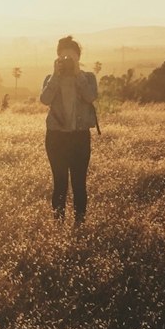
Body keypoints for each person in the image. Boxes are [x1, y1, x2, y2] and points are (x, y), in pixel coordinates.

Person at [39, 35, 98, 224]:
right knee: (60, 183)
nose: (66, 61)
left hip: (80, 136)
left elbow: (90, 97)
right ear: (57, 59)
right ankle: (58, 224)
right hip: (56, 138)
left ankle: (79, 224)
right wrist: (56, 75)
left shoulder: (88, 78)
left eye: (70, 58)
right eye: (63, 58)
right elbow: (45, 100)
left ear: (78, 58)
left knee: (79, 183)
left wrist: (78, 74)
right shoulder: (50, 78)